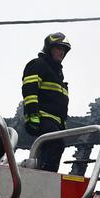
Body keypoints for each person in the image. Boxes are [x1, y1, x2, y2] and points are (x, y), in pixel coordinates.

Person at [21, 32, 72, 172]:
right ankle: (46, 178)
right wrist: (33, 116)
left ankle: (43, 178)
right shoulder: (37, 65)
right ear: (49, 48)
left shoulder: (57, 74)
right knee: (56, 144)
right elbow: (29, 91)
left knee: (52, 149)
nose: (62, 52)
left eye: (64, 50)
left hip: (56, 122)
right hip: (43, 118)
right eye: (59, 48)